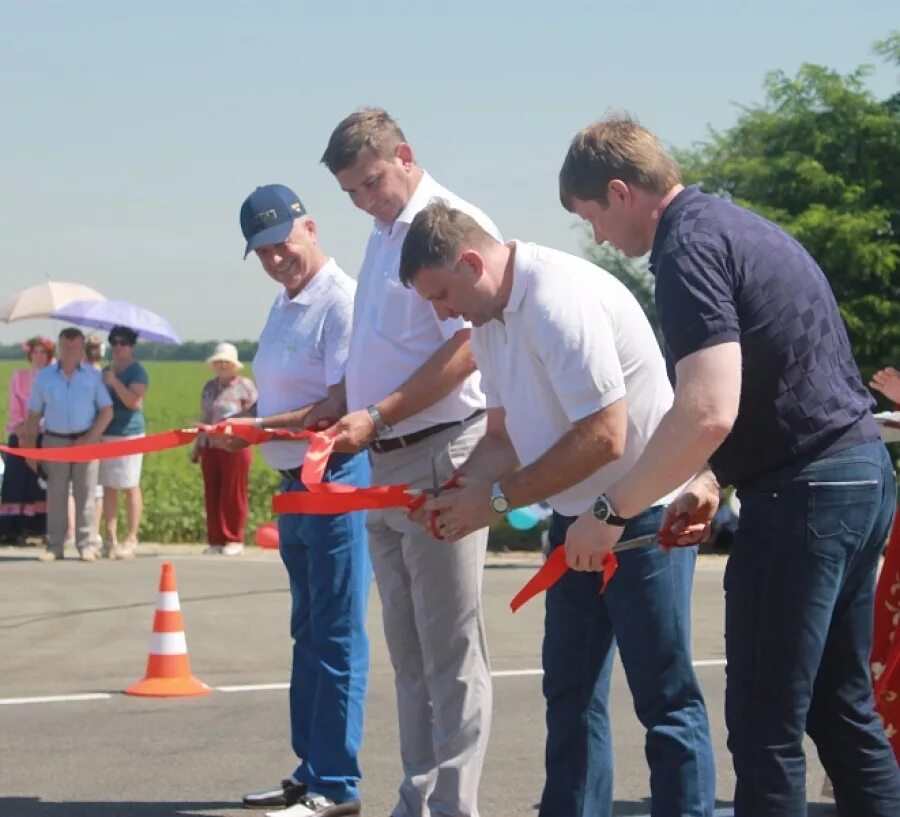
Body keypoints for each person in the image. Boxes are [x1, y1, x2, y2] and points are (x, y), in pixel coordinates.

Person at [557, 114, 900, 816]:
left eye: (591, 215)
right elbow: (775, 383)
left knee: (763, 721)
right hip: (858, 473)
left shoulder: (686, 249)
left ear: (620, 192)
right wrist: (711, 478)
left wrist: (609, 510)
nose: (598, 238)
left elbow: (707, 408)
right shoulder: (737, 225)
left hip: (804, 497)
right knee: (842, 712)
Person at [399, 200, 715, 817]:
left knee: (664, 699)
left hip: (639, 517)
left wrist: (492, 499)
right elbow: (502, 438)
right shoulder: (489, 323)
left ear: (470, 262)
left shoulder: (555, 299)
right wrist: (456, 492)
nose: (441, 312)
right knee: (569, 694)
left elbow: (605, 435)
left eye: (440, 294)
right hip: (576, 520)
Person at [318, 108, 499, 817]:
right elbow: (380, 345)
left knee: (450, 649)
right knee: (410, 649)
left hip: (438, 451)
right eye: (352, 192)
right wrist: (341, 402)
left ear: (405, 154)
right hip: (384, 460)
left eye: (371, 182)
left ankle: (453, 804)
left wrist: (382, 411)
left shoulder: (447, 224)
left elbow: (468, 346)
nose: (365, 200)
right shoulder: (381, 233)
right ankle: (416, 796)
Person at [224, 184, 371, 817]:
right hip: (295, 485)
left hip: (334, 476)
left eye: (283, 244)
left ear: (308, 227)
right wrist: (243, 422)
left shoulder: (342, 300)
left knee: (336, 634)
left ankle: (336, 786)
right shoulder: (285, 304)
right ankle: (310, 768)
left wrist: (256, 429)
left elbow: (338, 405)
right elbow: (285, 393)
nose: (276, 258)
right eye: (262, 252)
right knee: (307, 629)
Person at [19, 327, 112, 563]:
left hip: (86, 441)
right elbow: (33, 415)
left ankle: (86, 545)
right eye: (66, 346)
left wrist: (90, 438)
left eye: (75, 346)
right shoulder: (45, 377)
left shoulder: (92, 376)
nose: (71, 351)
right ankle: (55, 546)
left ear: (82, 348)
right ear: (59, 348)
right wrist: (30, 449)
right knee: (56, 495)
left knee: (86, 494)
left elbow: (107, 411)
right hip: (54, 441)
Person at [189, 342, 257, 556]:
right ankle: (216, 538)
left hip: (235, 446)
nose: (222, 366)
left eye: (226, 362)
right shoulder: (209, 387)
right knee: (213, 492)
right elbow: (204, 417)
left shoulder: (245, 387)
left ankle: (234, 537)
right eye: (218, 362)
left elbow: (254, 416)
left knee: (233, 492)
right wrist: (197, 445)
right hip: (210, 445)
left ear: (234, 365)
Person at [97, 325, 149, 559]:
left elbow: (133, 402)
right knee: (108, 485)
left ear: (132, 346)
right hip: (107, 432)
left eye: (124, 343)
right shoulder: (105, 370)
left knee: (129, 484)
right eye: (115, 342)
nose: (119, 347)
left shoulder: (137, 371)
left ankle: (131, 536)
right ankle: (110, 535)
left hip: (129, 433)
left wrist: (115, 382)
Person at [0, 336, 54, 544]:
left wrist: (35, 429)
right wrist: (21, 429)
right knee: (16, 481)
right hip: (20, 434)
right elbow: (14, 406)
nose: (39, 356)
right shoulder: (19, 376)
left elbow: (52, 408)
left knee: (39, 483)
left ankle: (40, 528)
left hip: (43, 434)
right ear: (29, 354)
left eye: (43, 353)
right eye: (35, 352)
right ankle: (13, 529)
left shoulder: (53, 378)